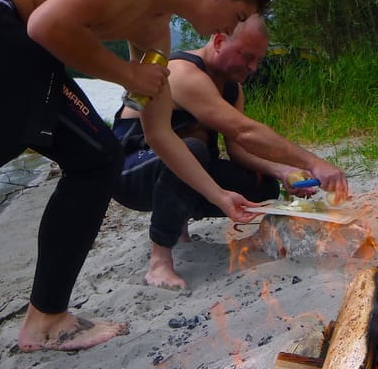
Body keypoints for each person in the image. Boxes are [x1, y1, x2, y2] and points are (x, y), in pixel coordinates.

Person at [0, 0, 270, 351]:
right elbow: (47, 25)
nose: (231, 27)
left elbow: (158, 134)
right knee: (96, 157)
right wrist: (127, 73)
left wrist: (221, 195)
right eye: (240, 15)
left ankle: (45, 318)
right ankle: (47, 319)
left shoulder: (153, 30)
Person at [112, 14, 348, 289]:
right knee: (193, 149)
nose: (253, 67)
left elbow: (239, 150)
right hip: (127, 170)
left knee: (261, 184)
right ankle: (160, 261)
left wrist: (284, 171)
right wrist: (315, 162)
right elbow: (244, 130)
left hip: (179, 169)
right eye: (247, 57)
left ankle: (180, 229)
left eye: (257, 60)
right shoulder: (183, 72)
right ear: (220, 41)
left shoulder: (232, 88)